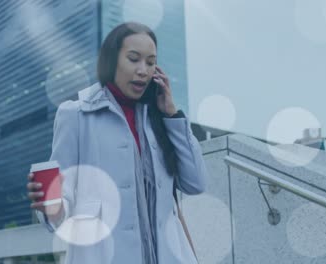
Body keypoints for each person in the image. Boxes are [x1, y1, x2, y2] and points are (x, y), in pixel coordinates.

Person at [27, 22, 207, 264]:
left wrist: (172, 115)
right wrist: (53, 206)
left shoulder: (159, 118)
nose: (143, 70)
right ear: (112, 60)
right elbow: (64, 198)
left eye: (151, 62)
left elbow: (196, 183)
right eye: (134, 59)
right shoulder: (76, 114)